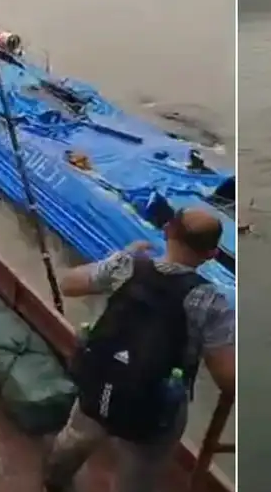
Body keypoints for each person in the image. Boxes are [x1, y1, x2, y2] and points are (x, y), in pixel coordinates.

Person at [43, 208, 235, 492]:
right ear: (211, 254)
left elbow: (68, 284)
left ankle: (53, 483)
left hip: (101, 383)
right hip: (155, 409)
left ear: (167, 231)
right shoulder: (212, 302)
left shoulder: (126, 266)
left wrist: (120, 257)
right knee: (138, 475)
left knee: (76, 436)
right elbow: (227, 378)